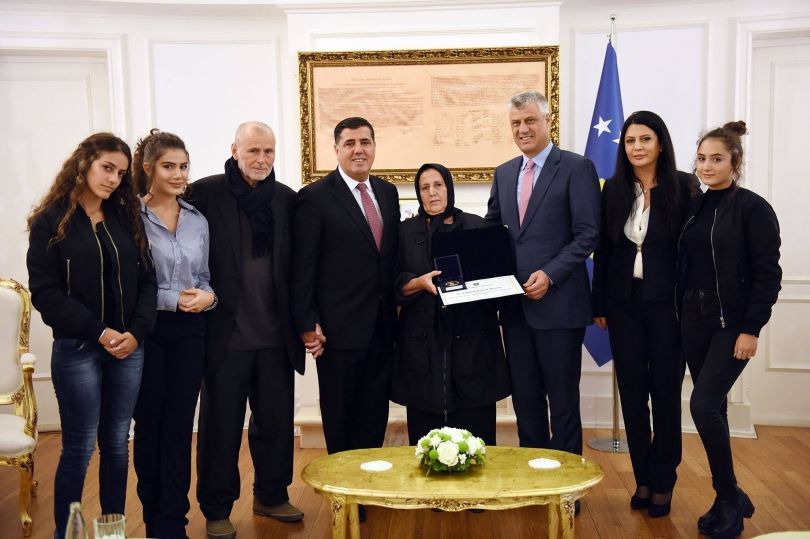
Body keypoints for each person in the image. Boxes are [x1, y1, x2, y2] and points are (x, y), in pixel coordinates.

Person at [26, 133, 157, 538]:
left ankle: (111, 532)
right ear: (84, 164)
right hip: (78, 348)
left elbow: (148, 281)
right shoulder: (50, 221)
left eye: (120, 173)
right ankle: (67, 533)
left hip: (128, 349)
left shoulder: (126, 216)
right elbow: (45, 294)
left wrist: (135, 334)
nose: (114, 179)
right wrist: (100, 332)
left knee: (117, 444)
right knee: (79, 448)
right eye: (107, 168)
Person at [191, 122, 305, 539]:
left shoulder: (287, 199)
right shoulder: (204, 194)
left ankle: (271, 495)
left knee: (275, 425)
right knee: (220, 430)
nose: (261, 159)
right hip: (226, 338)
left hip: (276, 337)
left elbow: (300, 267)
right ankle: (217, 509)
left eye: (268, 151)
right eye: (253, 150)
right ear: (234, 150)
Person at [591, 111, 698, 517]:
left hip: (668, 305)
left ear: (661, 144)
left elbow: (693, 251)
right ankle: (643, 479)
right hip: (623, 304)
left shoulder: (685, 187)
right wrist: (599, 304)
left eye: (645, 139)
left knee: (665, 393)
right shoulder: (614, 189)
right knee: (633, 395)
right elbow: (603, 251)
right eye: (630, 140)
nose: (637, 147)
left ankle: (664, 480)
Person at [677, 121, 781, 538]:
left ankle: (727, 497)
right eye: (701, 159)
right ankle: (730, 495)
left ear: (735, 162)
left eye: (717, 159)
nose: (707, 166)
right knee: (713, 407)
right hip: (692, 320)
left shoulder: (753, 208)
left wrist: (751, 329)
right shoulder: (694, 206)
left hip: (731, 324)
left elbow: (768, 274)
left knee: (702, 406)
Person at [485, 90, 600, 459]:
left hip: (560, 306)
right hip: (515, 310)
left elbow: (588, 234)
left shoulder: (576, 168)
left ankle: (566, 478)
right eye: (516, 123)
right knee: (526, 401)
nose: (523, 128)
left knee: (562, 402)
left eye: (530, 120)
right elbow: (491, 233)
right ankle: (533, 472)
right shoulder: (504, 173)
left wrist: (550, 274)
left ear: (548, 121)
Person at [291, 117, 399, 476]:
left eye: (365, 142)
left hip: (382, 328)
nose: (358, 150)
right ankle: (344, 486)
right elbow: (303, 266)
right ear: (336, 149)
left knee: (374, 414)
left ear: (374, 146)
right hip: (337, 331)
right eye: (350, 143)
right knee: (341, 416)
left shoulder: (387, 192)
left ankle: (368, 482)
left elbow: (388, 259)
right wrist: (307, 322)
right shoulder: (315, 197)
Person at [131, 129, 216, 538]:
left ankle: (173, 522)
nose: (179, 174)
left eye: (183, 166)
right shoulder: (129, 218)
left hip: (191, 332)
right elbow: (129, 284)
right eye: (169, 166)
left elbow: (205, 277)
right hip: (147, 331)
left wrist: (208, 298)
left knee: (180, 429)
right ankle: (154, 519)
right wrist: (173, 300)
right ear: (149, 168)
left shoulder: (198, 220)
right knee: (150, 426)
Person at [392, 163, 510, 446]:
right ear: (418, 194)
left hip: (472, 342)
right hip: (422, 344)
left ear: (449, 188)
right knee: (426, 444)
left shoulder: (477, 226)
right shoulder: (403, 232)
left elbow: (499, 285)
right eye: (424, 187)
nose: (432, 192)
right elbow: (390, 284)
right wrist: (419, 282)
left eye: (438, 185)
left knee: (476, 440)